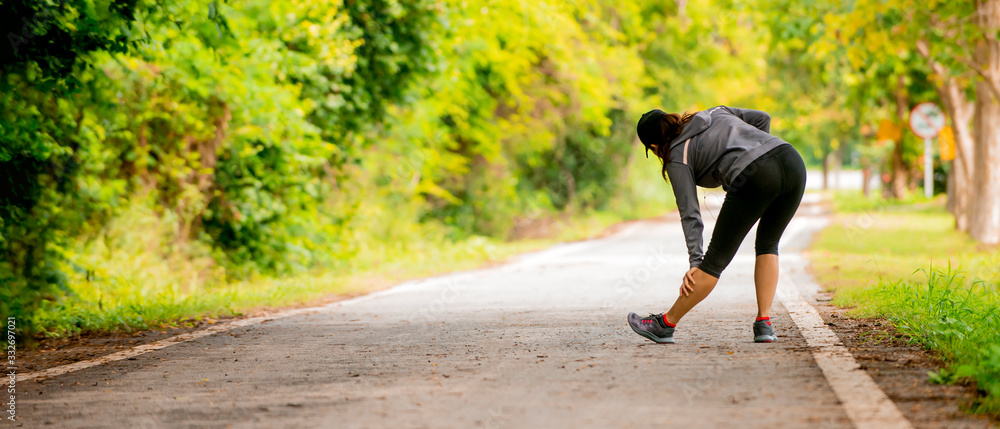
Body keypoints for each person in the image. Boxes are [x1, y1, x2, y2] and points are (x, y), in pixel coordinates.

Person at [627, 106, 806, 344]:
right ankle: (764, 323)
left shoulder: (676, 155)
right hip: (791, 161)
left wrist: (695, 261)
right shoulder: (715, 112)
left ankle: (665, 324)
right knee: (768, 244)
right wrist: (757, 147)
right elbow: (763, 118)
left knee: (713, 262)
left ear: (653, 147)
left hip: (754, 176)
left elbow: (690, 213)